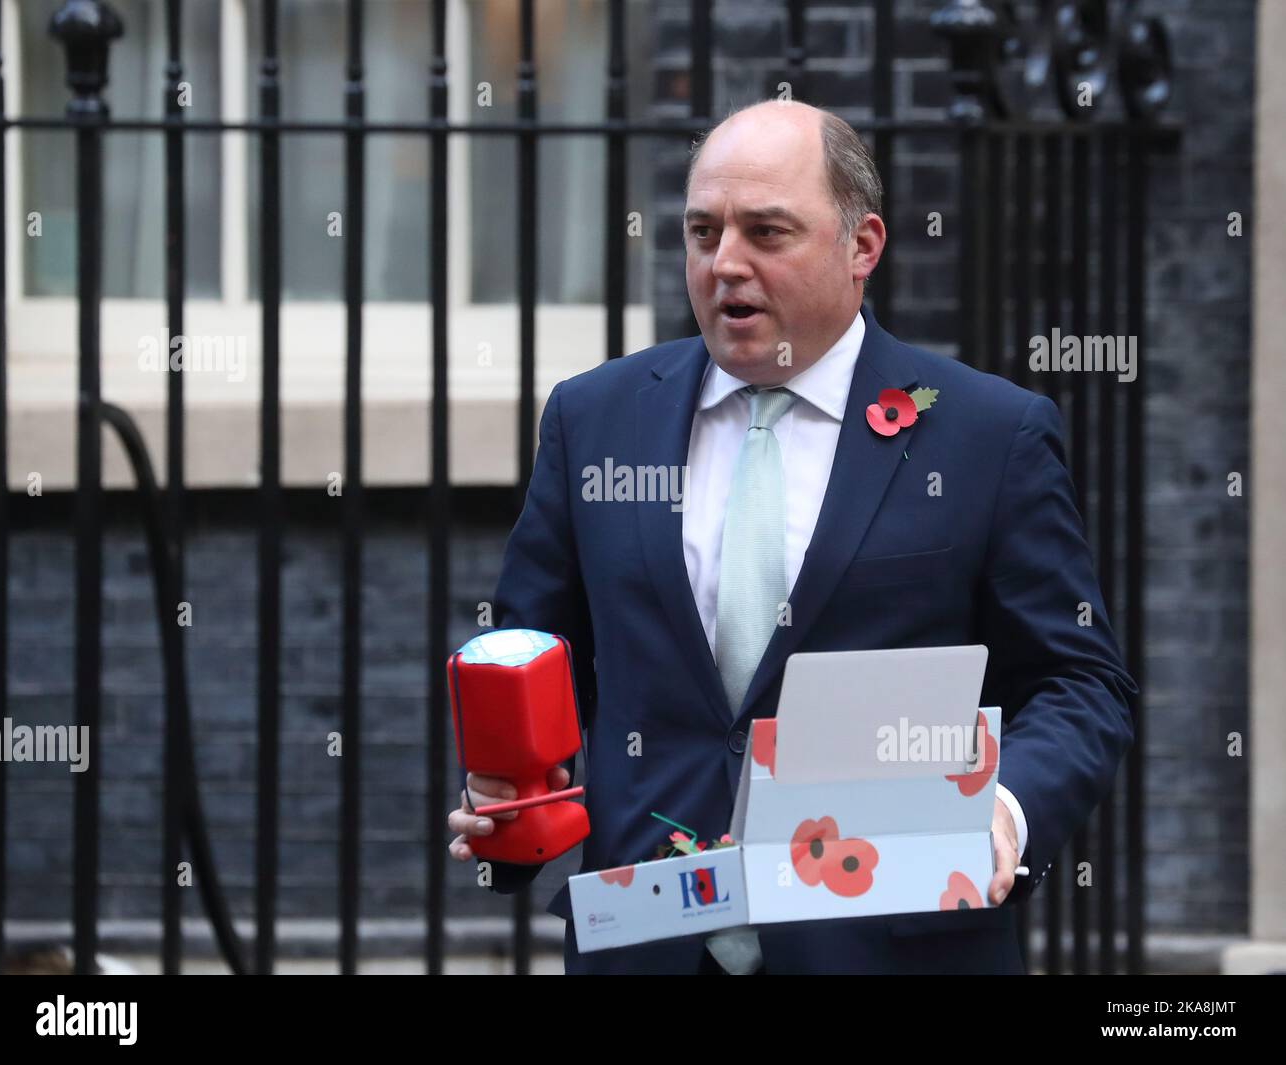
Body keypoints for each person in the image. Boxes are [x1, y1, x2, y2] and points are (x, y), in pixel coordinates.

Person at [448, 99, 1135, 974]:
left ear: (863, 247)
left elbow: (1083, 682)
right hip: (647, 942)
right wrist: (511, 802)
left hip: (888, 943)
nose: (724, 263)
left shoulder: (987, 435)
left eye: (766, 232)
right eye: (703, 231)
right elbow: (532, 656)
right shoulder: (596, 419)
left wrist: (1003, 809)